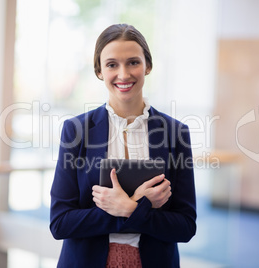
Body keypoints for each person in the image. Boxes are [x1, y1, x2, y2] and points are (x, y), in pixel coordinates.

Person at [50, 23, 196, 268]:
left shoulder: (176, 133)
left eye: (133, 62)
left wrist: (129, 208)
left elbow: (185, 227)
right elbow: (60, 223)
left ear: (147, 66)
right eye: (111, 65)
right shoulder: (76, 131)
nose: (123, 74)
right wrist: (134, 206)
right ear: (99, 71)